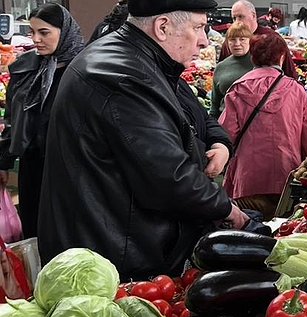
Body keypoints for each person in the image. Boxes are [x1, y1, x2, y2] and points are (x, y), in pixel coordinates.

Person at [39, 0, 250, 280]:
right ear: (162, 27)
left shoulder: (133, 60)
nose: (203, 40)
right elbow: (168, 175)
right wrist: (226, 208)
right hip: (112, 258)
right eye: (198, 28)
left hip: (111, 244)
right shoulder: (124, 76)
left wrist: (217, 143)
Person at [0, 4, 83, 240]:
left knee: (69, 231)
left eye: (44, 32)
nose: (36, 39)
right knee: (35, 230)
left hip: (72, 167)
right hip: (34, 164)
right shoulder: (25, 67)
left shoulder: (84, 68)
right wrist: (4, 160)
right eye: (32, 32)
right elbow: (13, 118)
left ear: (64, 30)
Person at [220, 34, 307, 219]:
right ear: (281, 57)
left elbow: (226, 134)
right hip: (286, 177)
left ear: (252, 57)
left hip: (247, 179)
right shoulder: (296, 90)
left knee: (248, 233)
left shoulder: (238, 89)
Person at [220, 1, 295, 76]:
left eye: (241, 17)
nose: (237, 21)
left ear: (253, 15)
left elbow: (290, 73)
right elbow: (220, 70)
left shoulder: (271, 38)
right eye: (234, 18)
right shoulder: (230, 39)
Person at [210, 21, 253, 118]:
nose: (237, 44)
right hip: (227, 124)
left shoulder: (259, 63)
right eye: (232, 40)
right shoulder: (221, 67)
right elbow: (215, 104)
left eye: (242, 39)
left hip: (254, 124)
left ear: (250, 40)